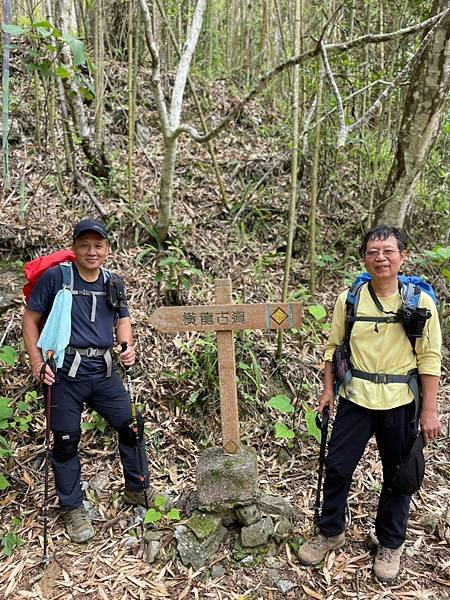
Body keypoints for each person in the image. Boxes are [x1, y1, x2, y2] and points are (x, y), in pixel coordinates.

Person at [298, 225, 442, 582]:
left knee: (400, 476)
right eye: (373, 252)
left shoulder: (419, 302)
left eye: (388, 251)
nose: (381, 258)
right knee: (338, 467)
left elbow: (430, 358)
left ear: (402, 257)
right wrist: (328, 390)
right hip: (355, 397)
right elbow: (333, 348)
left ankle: (390, 542)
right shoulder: (350, 298)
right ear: (364, 257)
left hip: (400, 401)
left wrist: (430, 410)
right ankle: (330, 531)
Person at [22, 219, 151, 543]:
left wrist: (127, 345)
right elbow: (30, 319)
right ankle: (73, 508)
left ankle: (137, 489)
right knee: (66, 442)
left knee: (132, 424)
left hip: (103, 372)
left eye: (98, 245)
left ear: (107, 249)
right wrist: (37, 362)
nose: (91, 251)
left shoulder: (113, 282)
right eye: (85, 245)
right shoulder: (56, 278)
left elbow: (123, 318)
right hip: (63, 372)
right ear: (75, 247)